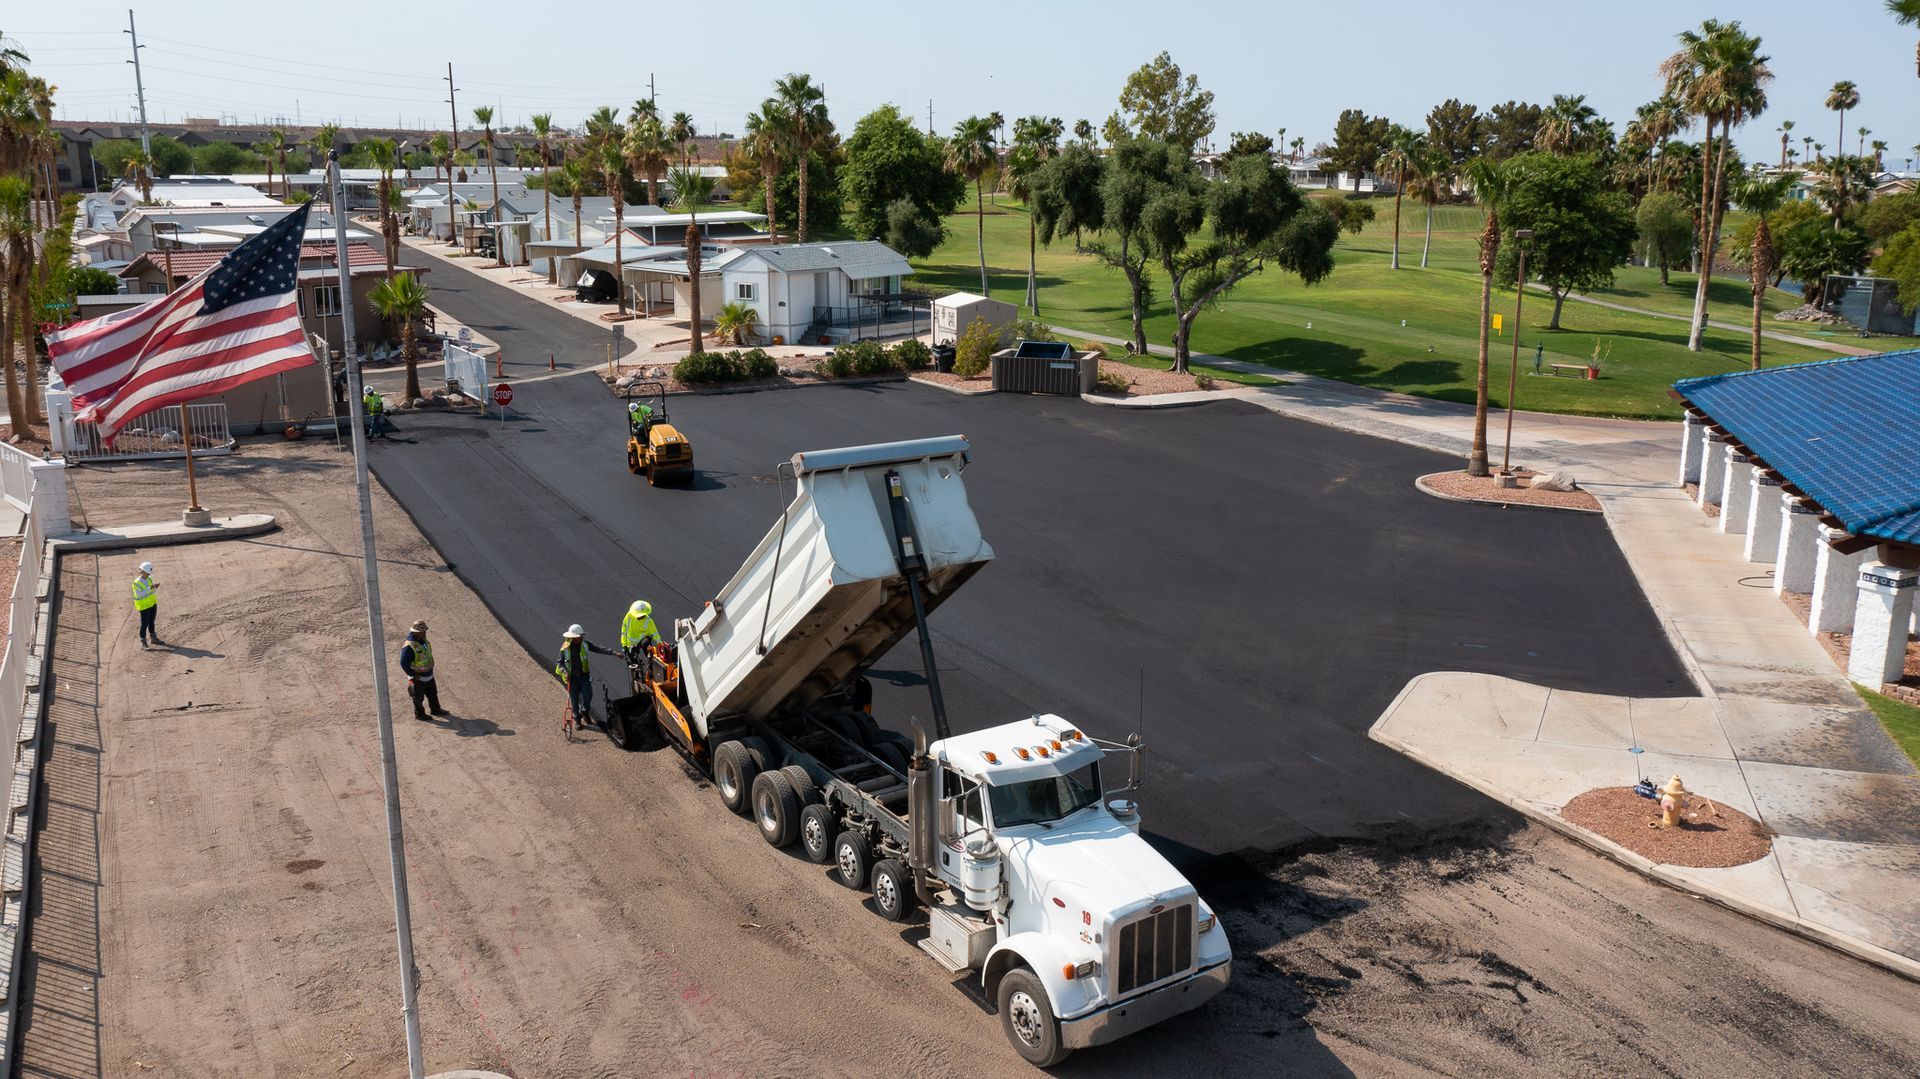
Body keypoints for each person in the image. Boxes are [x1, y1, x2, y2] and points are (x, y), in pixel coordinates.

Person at [553, 623, 620, 726]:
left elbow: (598, 648)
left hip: (583, 676)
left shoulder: (585, 644)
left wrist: (614, 653)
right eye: (578, 637)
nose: (580, 638)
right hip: (572, 678)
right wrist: (564, 671)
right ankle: (577, 720)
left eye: (580, 636)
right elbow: (559, 662)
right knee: (574, 700)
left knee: (588, 695)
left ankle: (584, 711)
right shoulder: (565, 648)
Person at [399, 620, 445, 720]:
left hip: (428, 674)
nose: (424, 633)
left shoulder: (423, 640)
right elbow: (403, 662)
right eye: (422, 631)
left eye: (425, 631)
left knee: (433, 693)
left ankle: (436, 709)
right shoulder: (409, 647)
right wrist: (412, 674)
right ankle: (420, 714)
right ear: (415, 632)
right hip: (418, 677)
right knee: (418, 698)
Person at [132, 561, 161, 648]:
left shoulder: (149, 579)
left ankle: (153, 638)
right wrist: (149, 588)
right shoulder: (136, 583)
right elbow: (139, 594)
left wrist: (155, 588)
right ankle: (143, 642)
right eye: (147, 573)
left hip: (152, 604)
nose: (148, 575)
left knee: (151, 622)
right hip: (144, 607)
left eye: (149, 573)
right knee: (144, 624)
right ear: (143, 571)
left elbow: (151, 591)